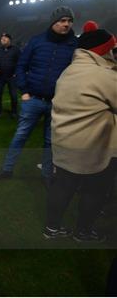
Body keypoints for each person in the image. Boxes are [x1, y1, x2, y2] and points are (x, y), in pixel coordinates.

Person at [44, 21, 117, 242]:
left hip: (66, 141)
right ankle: (84, 232)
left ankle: (52, 229)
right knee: (95, 189)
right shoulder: (103, 75)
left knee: (63, 186)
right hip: (92, 146)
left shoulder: (71, 69)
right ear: (103, 51)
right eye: (111, 48)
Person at [0, 6, 77, 183]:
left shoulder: (74, 44)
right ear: (53, 22)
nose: (67, 24)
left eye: (69, 21)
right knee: (20, 136)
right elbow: (21, 66)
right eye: (62, 20)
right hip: (33, 98)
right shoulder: (37, 41)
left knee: (50, 141)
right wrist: (25, 91)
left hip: (58, 102)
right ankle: (7, 169)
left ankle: (47, 175)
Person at [0, 33, 20, 118]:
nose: (3, 39)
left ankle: (14, 112)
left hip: (12, 76)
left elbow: (20, 62)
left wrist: (16, 73)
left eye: (5, 38)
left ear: (9, 40)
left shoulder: (16, 50)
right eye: (2, 38)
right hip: (0, 76)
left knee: (13, 95)